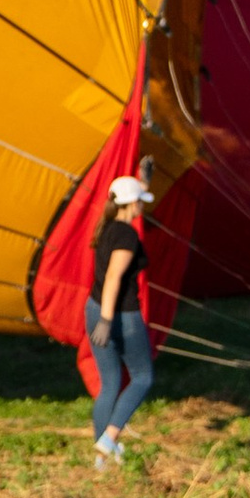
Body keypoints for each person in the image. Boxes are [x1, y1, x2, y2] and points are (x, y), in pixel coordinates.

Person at [87, 172, 154, 466]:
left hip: (95, 307)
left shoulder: (108, 228)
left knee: (110, 383)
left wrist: (143, 181)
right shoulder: (127, 235)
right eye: (140, 200)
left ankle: (102, 457)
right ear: (132, 203)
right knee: (142, 377)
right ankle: (110, 438)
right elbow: (114, 277)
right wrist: (106, 319)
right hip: (119, 315)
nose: (143, 205)